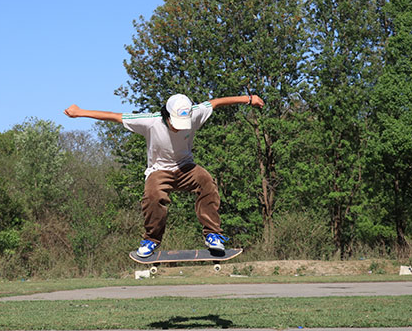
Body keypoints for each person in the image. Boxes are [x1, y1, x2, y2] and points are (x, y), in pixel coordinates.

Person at [64, 93, 264, 257]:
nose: (179, 126)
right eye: (175, 122)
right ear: (166, 115)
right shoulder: (150, 122)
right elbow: (114, 116)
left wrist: (249, 99)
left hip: (186, 167)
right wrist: (79, 112)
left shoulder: (195, 114)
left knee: (206, 182)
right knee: (153, 195)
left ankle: (213, 235)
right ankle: (151, 239)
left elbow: (216, 102)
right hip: (159, 170)